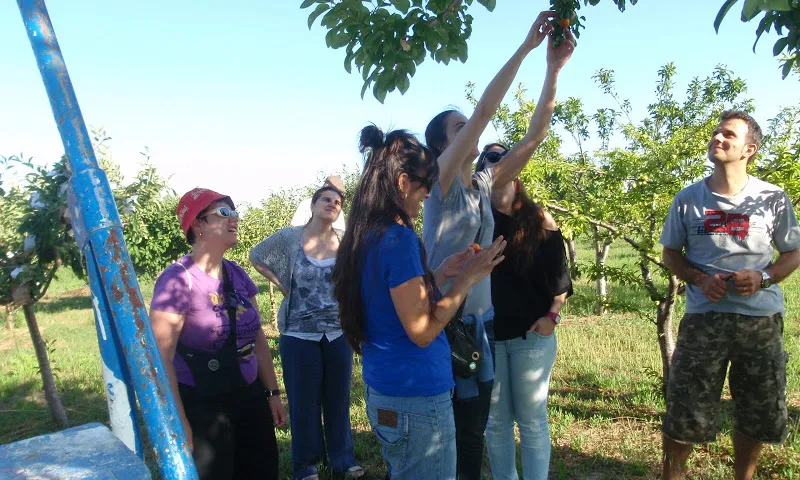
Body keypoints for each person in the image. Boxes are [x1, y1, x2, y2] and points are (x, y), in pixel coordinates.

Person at [422, 11, 574, 478]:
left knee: (474, 431)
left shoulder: (482, 185)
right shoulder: (442, 184)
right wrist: (526, 47)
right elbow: (487, 111)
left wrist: (552, 70)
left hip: (480, 324)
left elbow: (535, 136)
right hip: (447, 323)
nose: (474, 130)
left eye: (469, 125)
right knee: (451, 430)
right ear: (443, 147)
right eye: (459, 128)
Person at [333, 125, 507, 480]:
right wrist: (467, 280)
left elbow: (390, 299)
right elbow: (423, 332)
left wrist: (439, 274)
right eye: (425, 184)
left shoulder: (367, 234)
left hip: (387, 387)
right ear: (401, 182)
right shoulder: (398, 240)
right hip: (417, 396)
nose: (428, 194)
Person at [659, 111, 800, 480]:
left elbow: (793, 253)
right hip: (705, 320)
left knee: (756, 411)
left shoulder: (772, 198)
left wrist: (765, 276)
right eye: (716, 133)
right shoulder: (689, 198)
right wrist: (700, 279)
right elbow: (670, 254)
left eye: (728, 135)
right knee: (684, 410)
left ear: (749, 149)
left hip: (759, 321)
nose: (717, 138)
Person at [150, 188, 287, 480]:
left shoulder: (236, 274)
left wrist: (272, 392)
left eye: (235, 212)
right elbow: (162, 356)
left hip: (247, 391)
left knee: (261, 470)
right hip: (203, 399)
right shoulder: (177, 280)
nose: (234, 219)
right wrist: (179, 420)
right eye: (223, 213)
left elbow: (257, 337)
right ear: (197, 225)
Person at [249, 185, 363, 480]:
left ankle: (343, 460)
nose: (332, 204)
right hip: (299, 334)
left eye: (337, 202)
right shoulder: (290, 237)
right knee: (304, 402)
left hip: (337, 333)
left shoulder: (345, 241)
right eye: (326, 199)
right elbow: (257, 255)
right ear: (312, 205)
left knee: (338, 399)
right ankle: (306, 466)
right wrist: (283, 284)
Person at [476, 144, 572, 480]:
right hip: (487, 336)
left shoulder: (539, 219)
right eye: (490, 158)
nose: (499, 162)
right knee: (496, 421)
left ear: (517, 176)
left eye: (505, 157)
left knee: (531, 419)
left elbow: (560, 280)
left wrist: (552, 317)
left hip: (531, 334)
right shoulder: (475, 221)